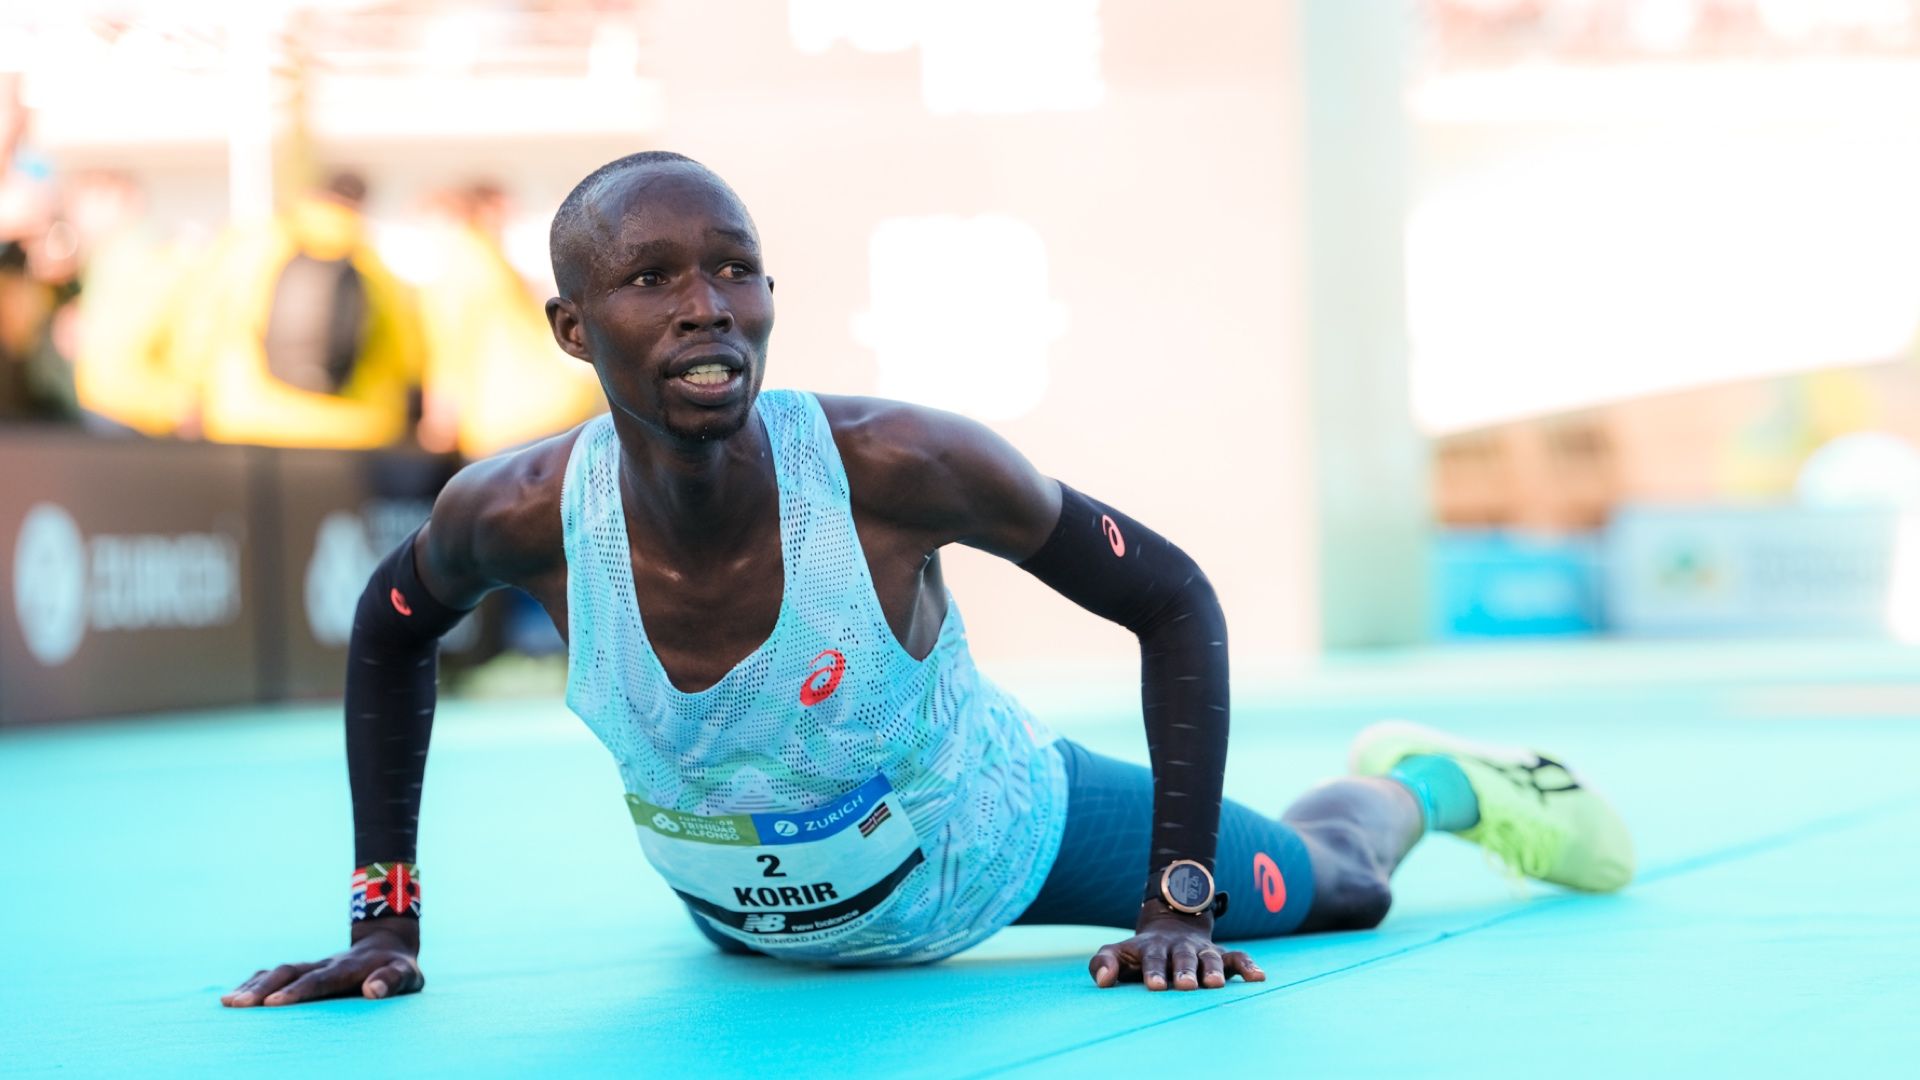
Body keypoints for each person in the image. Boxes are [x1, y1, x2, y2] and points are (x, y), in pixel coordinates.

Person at [223, 152, 1633, 1007]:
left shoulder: (899, 467)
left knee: (1333, 888)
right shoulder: (520, 510)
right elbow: (391, 628)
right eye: (656, 278)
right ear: (572, 326)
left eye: (737, 269)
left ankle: (1428, 786)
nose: (711, 303)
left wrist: (1181, 895)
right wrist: (382, 920)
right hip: (745, 922)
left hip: (1009, 838)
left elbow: (1176, 596)